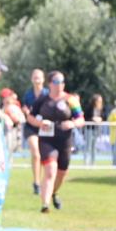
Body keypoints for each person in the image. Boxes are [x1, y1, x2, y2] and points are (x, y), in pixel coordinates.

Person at [27, 71, 85, 213]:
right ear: (50, 84)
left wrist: (72, 124)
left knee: (61, 172)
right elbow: (30, 117)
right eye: (56, 82)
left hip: (65, 140)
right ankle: (45, 205)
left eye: (62, 82)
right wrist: (40, 123)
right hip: (47, 139)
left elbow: (81, 119)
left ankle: (54, 192)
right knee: (50, 170)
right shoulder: (42, 99)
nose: (60, 85)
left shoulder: (71, 99)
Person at [22, 69, 48, 194]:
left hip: (44, 127)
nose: (37, 79)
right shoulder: (28, 94)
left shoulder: (47, 93)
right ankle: (36, 182)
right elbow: (24, 106)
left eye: (39, 77)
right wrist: (26, 111)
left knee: (45, 156)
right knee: (36, 154)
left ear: (43, 79)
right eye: (34, 77)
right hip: (31, 126)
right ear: (32, 79)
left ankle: (45, 181)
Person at [84, 93, 105, 165]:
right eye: (99, 101)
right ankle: (86, 162)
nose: (100, 102)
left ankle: (93, 162)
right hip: (89, 129)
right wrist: (93, 119)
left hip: (96, 129)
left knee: (94, 146)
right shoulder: (89, 108)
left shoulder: (101, 109)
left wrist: (100, 119)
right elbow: (85, 118)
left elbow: (103, 117)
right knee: (88, 146)